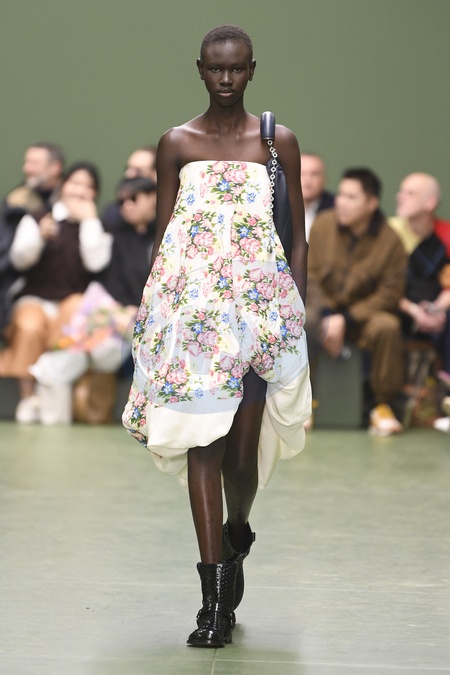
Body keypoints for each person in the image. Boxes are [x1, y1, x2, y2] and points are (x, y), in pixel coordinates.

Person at [122, 25, 311, 648]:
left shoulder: (277, 141)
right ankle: (212, 607)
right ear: (200, 69)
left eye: (236, 69)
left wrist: (294, 309)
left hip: (258, 313)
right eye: (215, 68)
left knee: (240, 457)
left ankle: (237, 532)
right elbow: (165, 234)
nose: (225, 78)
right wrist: (155, 308)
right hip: (192, 318)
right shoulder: (176, 142)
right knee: (204, 445)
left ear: (252, 70)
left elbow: (296, 236)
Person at [0, 161, 112, 423]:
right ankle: (28, 398)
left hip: (72, 300)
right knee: (29, 326)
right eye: (75, 183)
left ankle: (49, 392)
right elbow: (19, 260)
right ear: (63, 186)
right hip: (34, 298)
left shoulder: (99, 225)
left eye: (87, 186)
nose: (80, 191)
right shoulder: (38, 218)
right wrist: (39, 236)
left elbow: (95, 263)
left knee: (75, 313)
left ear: (95, 193)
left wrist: (89, 221)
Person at [307, 168, 407, 436]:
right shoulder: (322, 225)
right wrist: (328, 313)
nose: (341, 202)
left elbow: (389, 293)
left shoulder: (391, 241)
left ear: (372, 203)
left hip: (362, 318)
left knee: (387, 327)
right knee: (301, 320)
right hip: (323, 311)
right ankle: (301, 404)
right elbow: (309, 275)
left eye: (351, 197)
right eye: (340, 194)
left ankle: (382, 406)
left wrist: (347, 318)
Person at [0, 142, 65, 332]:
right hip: (24, 290)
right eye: (26, 162)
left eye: (34, 163)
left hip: (66, 290)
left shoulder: (70, 200)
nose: (27, 169)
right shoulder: (15, 202)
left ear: (55, 168)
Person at [102, 146, 157, 233]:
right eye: (128, 169)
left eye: (138, 171)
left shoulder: (174, 211)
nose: (129, 175)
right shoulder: (114, 214)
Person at [300, 152, 334, 241]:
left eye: (314, 174)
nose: (307, 180)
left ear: (324, 179)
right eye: (301, 173)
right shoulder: (276, 208)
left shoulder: (336, 208)